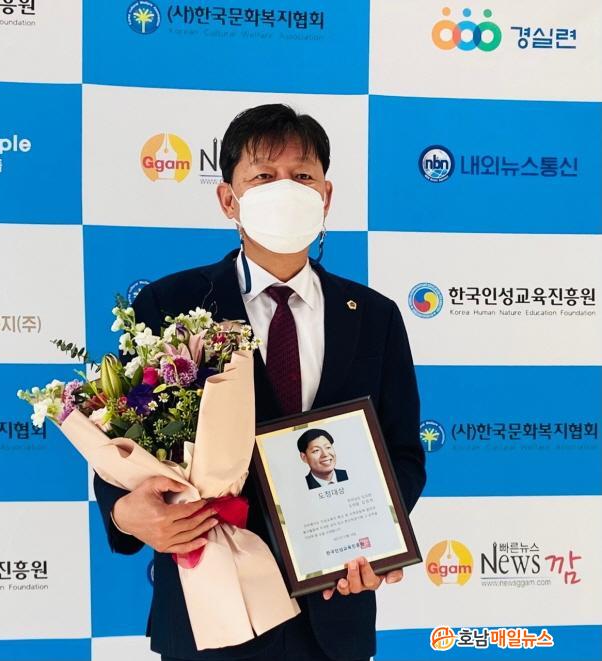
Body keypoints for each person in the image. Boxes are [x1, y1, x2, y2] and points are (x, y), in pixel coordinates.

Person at [93, 103, 426, 661]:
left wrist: (376, 538)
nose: (286, 190)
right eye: (264, 176)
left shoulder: (374, 316)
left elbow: (403, 454)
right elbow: (121, 441)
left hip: (334, 605)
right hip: (211, 602)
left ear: (326, 195)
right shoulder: (169, 305)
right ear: (229, 199)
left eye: (302, 176)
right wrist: (124, 513)